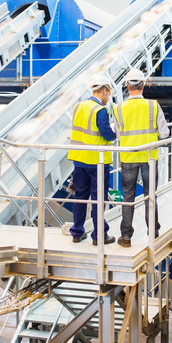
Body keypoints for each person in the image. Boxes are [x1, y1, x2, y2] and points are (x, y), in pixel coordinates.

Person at [114, 68, 168, 247]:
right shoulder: (153, 105)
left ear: (127, 87)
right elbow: (165, 133)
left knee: (127, 197)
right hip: (150, 158)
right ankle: (153, 232)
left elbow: (116, 135)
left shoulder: (118, 108)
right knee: (150, 196)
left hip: (128, 158)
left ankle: (126, 237)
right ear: (143, 85)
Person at [68, 74, 117, 245]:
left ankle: (77, 232)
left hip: (79, 160)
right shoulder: (100, 111)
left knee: (80, 197)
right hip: (97, 162)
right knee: (98, 199)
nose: (108, 97)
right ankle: (99, 236)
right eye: (108, 94)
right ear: (104, 91)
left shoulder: (78, 107)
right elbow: (107, 135)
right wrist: (115, 132)